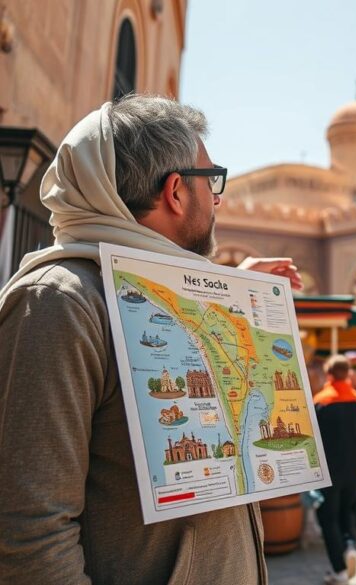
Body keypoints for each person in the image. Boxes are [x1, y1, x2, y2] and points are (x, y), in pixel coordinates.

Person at [0, 95, 304, 584]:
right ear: (177, 191)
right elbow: (28, 533)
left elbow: (158, 307)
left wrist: (231, 290)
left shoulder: (153, 287)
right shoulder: (60, 303)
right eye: (213, 180)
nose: (219, 198)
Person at [313, 355, 356, 585]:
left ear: (329, 375)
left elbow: (315, 440)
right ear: (348, 374)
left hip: (330, 468)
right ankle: (350, 544)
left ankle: (339, 570)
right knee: (348, 509)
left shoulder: (322, 401)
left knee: (328, 516)